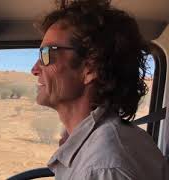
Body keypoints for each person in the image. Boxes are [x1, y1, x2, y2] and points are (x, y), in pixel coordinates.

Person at [31, 0, 169, 179]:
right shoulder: (112, 140)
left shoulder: (100, 168)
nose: (34, 69)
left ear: (90, 69)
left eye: (46, 54)